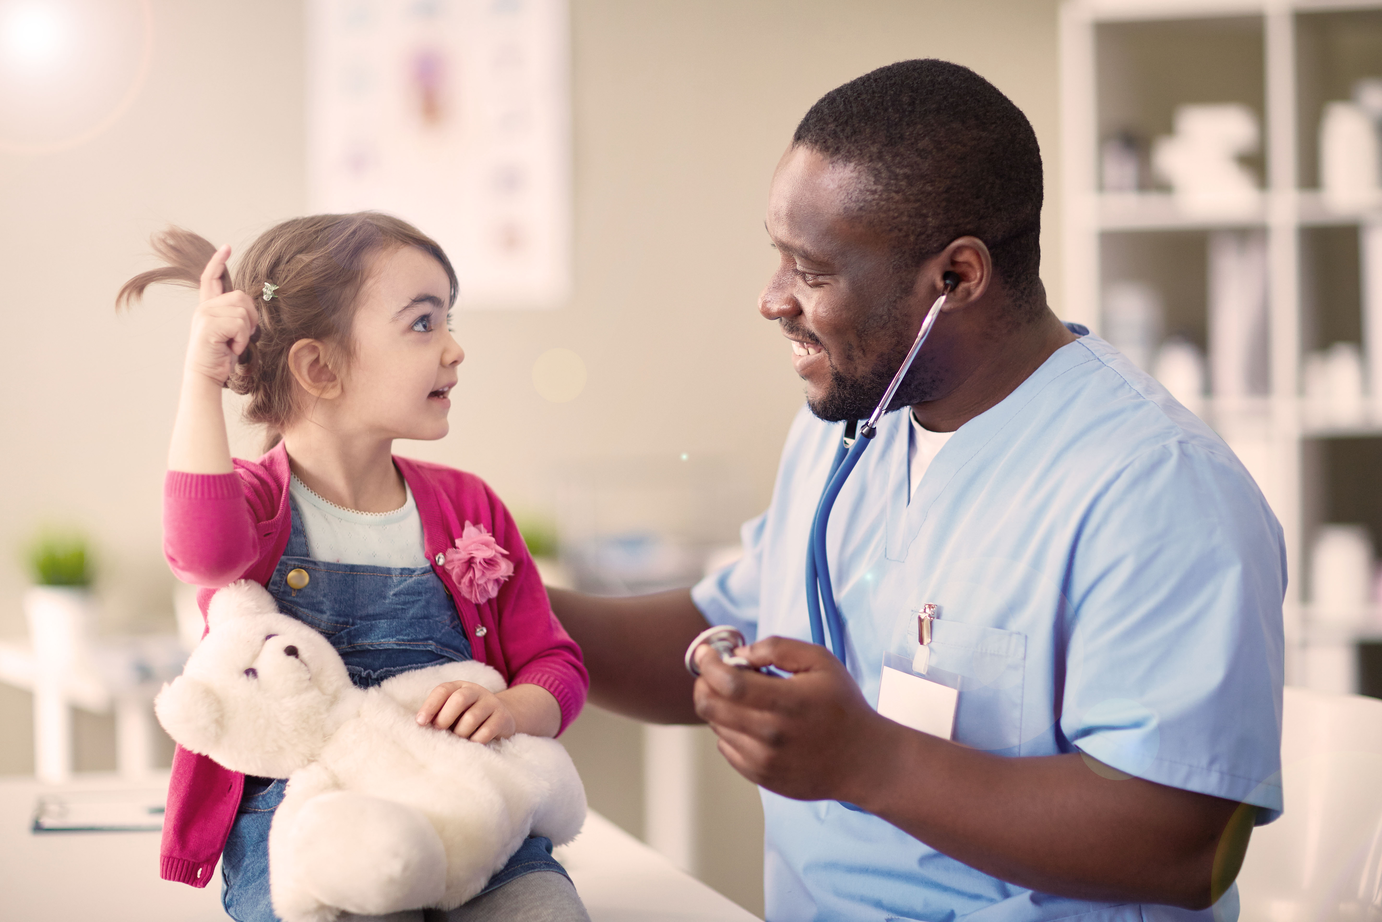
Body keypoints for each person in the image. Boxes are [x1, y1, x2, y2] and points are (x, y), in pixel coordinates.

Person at [550, 60, 1284, 920]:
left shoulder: (1156, 490)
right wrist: (496, 608)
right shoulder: (848, 429)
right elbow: (739, 630)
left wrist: (871, 762)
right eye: (777, 256)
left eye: (812, 271)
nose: (771, 299)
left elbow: (1184, 845)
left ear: (957, 278)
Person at [118, 214, 590, 922]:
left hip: (464, 804)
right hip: (306, 826)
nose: (455, 349)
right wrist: (199, 381)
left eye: (448, 320)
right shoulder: (255, 505)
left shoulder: (470, 507)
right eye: (424, 324)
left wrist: (512, 709)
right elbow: (204, 554)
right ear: (319, 367)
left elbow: (554, 663)